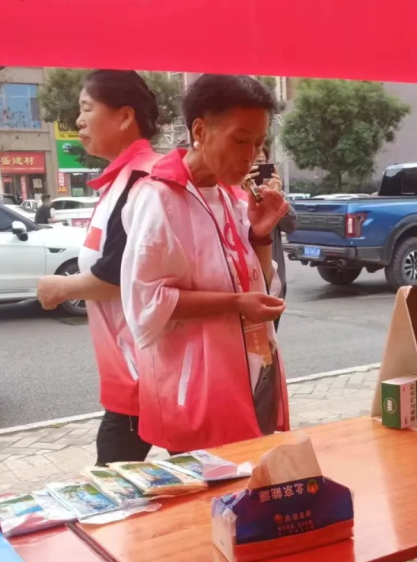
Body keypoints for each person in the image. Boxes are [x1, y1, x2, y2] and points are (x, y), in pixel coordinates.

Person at [120, 74, 291, 454]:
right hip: (198, 385)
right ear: (200, 130)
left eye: (259, 143)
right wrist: (235, 304)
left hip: (254, 370)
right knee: (216, 483)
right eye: (240, 140)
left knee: (253, 473)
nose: (251, 155)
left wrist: (261, 236)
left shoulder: (232, 197)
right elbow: (147, 302)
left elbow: (260, 286)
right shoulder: (159, 197)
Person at [36, 69, 162, 466]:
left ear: (124, 116)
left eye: (87, 108)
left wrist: (62, 288)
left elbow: (123, 274)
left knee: (113, 481)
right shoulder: (121, 181)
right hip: (134, 370)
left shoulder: (142, 181)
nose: (78, 120)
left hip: (149, 369)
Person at [253, 145, 297, 331]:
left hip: (274, 283)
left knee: (271, 340)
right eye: (251, 164)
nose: (254, 168)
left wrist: (277, 196)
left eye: (260, 163)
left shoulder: (274, 196)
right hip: (246, 286)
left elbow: (292, 225)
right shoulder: (231, 196)